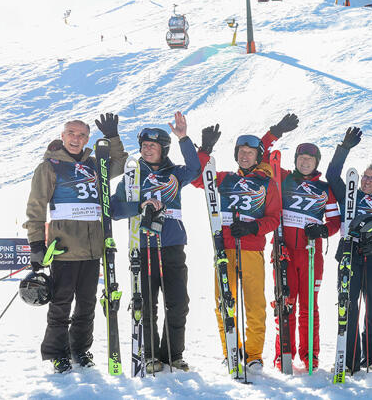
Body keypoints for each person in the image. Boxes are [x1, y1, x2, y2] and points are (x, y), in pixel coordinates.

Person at [24, 114, 128, 373]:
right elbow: (35, 207)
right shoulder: (49, 167)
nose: (76, 138)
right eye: (71, 133)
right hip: (63, 249)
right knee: (60, 305)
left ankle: (79, 349)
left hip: (93, 249)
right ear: (62, 136)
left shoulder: (95, 164)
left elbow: (118, 165)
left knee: (87, 304)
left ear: (87, 139)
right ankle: (57, 353)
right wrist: (36, 244)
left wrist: (113, 138)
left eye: (82, 135)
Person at [110, 111, 200, 372]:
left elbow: (195, 169)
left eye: (153, 145)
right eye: (144, 145)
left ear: (164, 148)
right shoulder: (132, 175)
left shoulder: (175, 174)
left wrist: (184, 138)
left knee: (178, 303)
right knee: (147, 304)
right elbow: (115, 210)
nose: (147, 149)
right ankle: (149, 354)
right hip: (144, 247)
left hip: (172, 245)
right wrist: (141, 205)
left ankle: (173, 354)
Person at [191, 121, 284, 370]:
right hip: (225, 249)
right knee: (224, 302)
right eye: (241, 152)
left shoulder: (268, 184)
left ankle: (253, 354)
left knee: (255, 305)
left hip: (252, 250)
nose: (245, 156)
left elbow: (274, 218)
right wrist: (205, 150)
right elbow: (198, 178)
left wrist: (254, 227)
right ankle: (230, 349)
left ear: (257, 156)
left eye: (250, 152)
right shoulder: (224, 179)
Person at [261, 115, 342, 371]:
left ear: (316, 163)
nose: (305, 162)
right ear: (295, 161)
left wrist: (322, 230)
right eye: (301, 159)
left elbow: (335, 221)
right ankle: (283, 353)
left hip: (310, 253)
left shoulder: (324, 189)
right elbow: (259, 157)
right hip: (283, 250)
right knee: (285, 303)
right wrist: (275, 132)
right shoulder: (282, 178)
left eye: (310, 159)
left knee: (309, 306)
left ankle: (310, 356)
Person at [326, 127, 372, 374]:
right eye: (365, 176)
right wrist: (344, 148)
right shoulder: (348, 194)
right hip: (349, 255)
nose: (367, 180)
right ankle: (349, 359)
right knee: (348, 306)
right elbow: (332, 174)